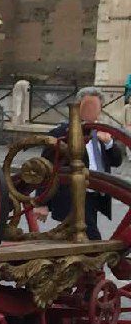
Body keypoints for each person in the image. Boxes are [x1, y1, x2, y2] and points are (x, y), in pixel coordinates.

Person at [39, 88, 126, 241]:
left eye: (96, 107)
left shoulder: (102, 131)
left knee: (75, 240)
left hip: (95, 195)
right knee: (92, 238)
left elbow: (116, 161)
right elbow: (45, 166)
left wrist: (109, 143)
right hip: (70, 195)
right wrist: (41, 202)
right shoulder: (62, 133)